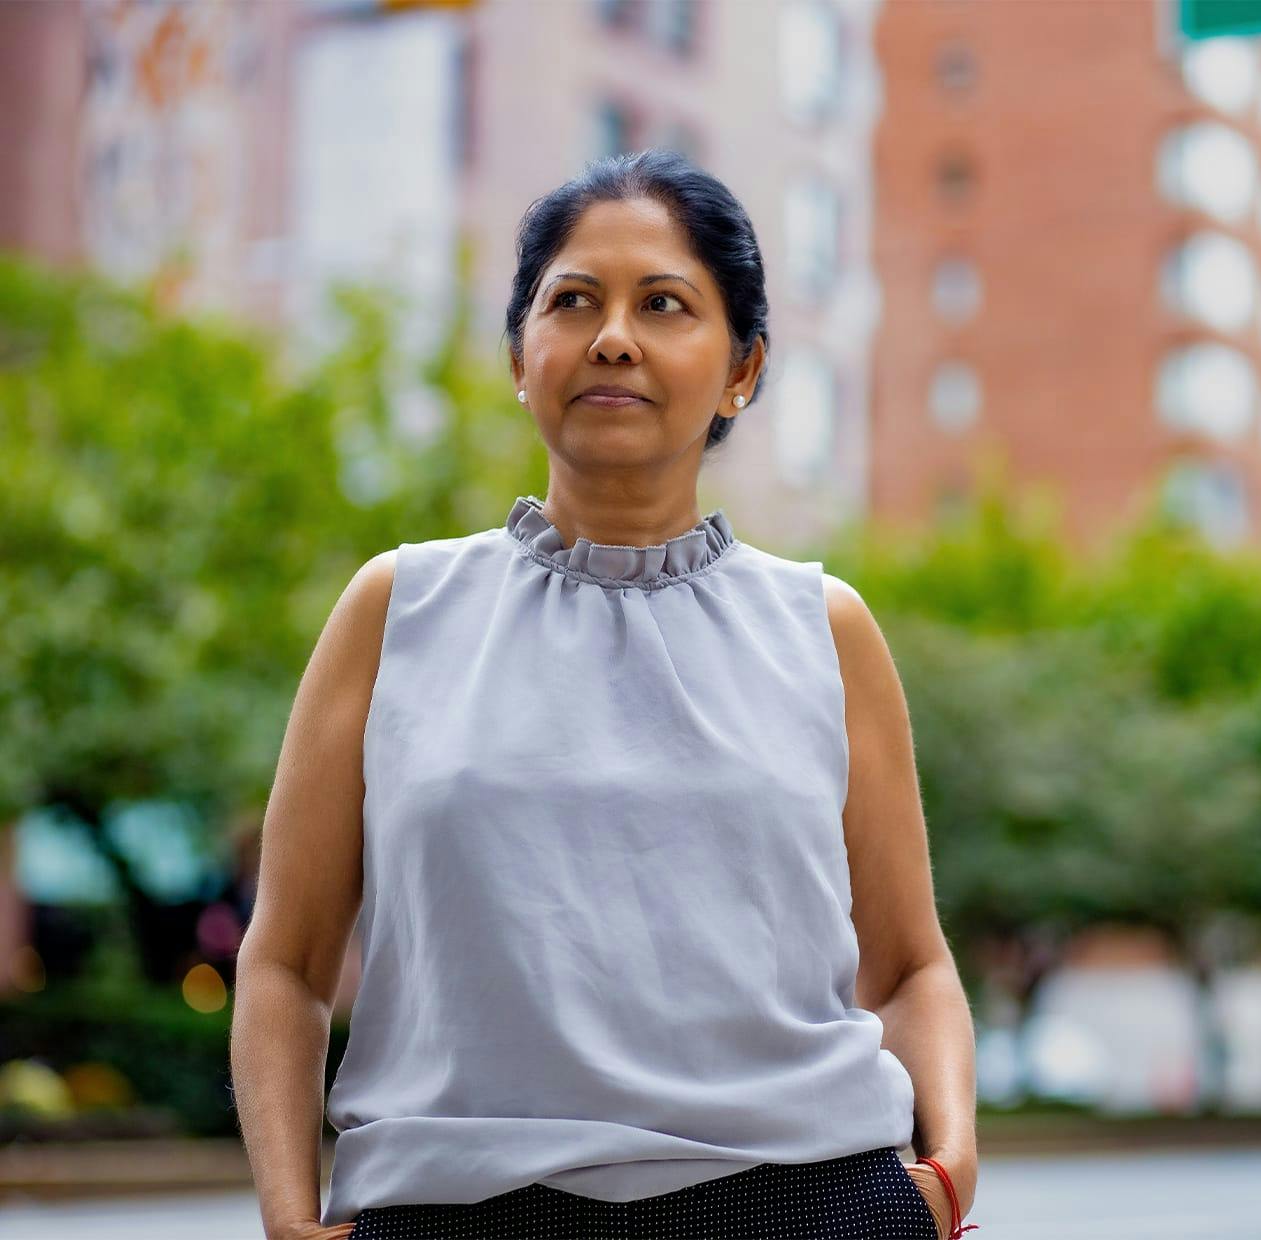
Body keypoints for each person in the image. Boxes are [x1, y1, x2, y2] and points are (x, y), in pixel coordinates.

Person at [231, 148, 979, 1240]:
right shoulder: (396, 609)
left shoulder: (824, 627)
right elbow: (288, 961)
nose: (612, 335)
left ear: (743, 368)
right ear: (521, 357)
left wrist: (948, 1172)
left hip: (802, 1203)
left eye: (665, 303)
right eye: (571, 300)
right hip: (455, 1212)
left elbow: (910, 962)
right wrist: (289, 1220)